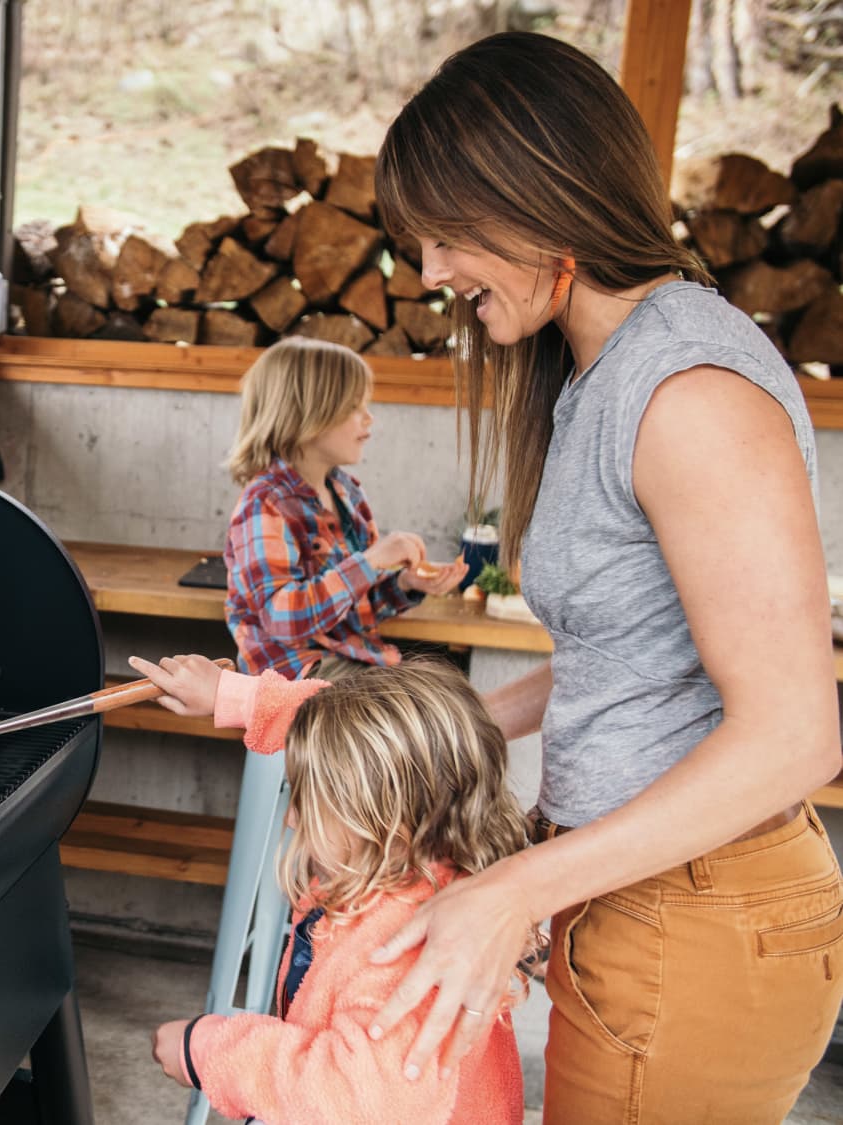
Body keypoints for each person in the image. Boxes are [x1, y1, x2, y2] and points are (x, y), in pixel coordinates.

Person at [366, 30, 843, 1123]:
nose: (431, 273)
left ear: (534, 194)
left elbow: (794, 734)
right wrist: (469, 731)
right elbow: (630, 656)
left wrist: (512, 891)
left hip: (704, 922)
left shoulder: (688, 393)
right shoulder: (602, 372)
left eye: (443, 236)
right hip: (641, 902)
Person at [135, 653, 528, 1124]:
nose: (292, 818)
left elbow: (359, 1098)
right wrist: (232, 694)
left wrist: (211, 1050)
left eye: (308, 799)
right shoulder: (406, 875)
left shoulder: (403, 942)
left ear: (382, 817)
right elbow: (351, 721)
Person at [223, 336, 466, 680]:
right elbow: (282, 620)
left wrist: (408, 584)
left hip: (349, 663)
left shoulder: (347, 494)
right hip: (295, 677)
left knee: (443, 693)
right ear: (308, 415)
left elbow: (356, 610)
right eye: (355, 406)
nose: (369, 419)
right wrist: (370, 561)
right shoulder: (265, 504)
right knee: (420, 706)